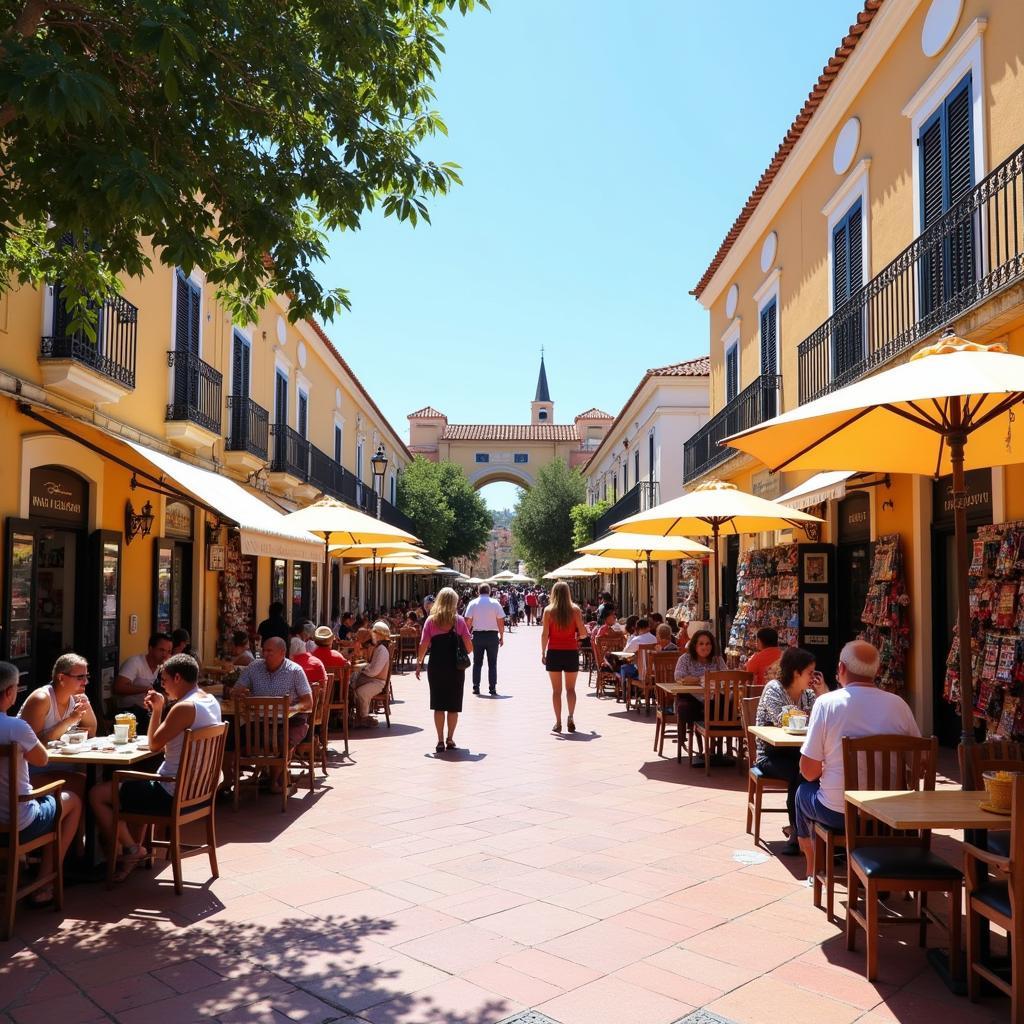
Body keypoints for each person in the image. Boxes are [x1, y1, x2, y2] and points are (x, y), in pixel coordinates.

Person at [795, 639, 920, 881]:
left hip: (838, 812)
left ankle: (812, 869)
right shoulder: (899, 705)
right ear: (877, 671)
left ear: (841, 669)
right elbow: (919, 766)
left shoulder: (826, 704)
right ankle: (875, 867)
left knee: (801, 793)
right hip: (889, 813)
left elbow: (808, 772)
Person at [90, 654, 221, 881]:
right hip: (197, 794)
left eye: (164, 681)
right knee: (136, 785)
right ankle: (133, 851)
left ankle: (131, 850)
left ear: (177, 678)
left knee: (97, 794)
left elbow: (154, 744)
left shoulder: (184, 708)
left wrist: (158, 709)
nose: (163, 686)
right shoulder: (209, 700)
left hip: (170, 793)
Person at [0, 662, 82, 906]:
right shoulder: (15, 727)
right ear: (8, 693)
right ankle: (45, 880)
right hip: (18, 823)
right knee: (71, 800)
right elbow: (42, 758)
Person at [754, 647, 828, 855]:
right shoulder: (774, 689)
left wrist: (823, 693)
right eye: (810, 672)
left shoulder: (808, 694)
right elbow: (782, 720)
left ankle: (809, 830)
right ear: (796, 672)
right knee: (801, 773)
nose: (813, 677)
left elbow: (825, 717)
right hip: (770, 755)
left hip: (798, 752)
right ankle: (799, 831)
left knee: (813, 770)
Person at [232, 637, 313, 791]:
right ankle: (232, 780)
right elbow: (237, 689)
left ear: (282, 653)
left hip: (289, 722)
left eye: (270, 651)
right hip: (258, 722)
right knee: (231, 737)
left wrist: (293, 709)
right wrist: (239, 693)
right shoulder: (254, 667)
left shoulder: (295, 671)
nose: (265, 654)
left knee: (282, 741)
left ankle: (274, 780)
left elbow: (308, 702)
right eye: (264, 650)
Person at [18, 653, 97, 808]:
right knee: (84, 784)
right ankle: (79, 832)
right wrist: (70, 720)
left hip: (64, 766)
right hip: (32, 772)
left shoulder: (77, 697)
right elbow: (35, 744)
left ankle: (79, 832)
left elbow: (92, 732)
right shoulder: (42, 699)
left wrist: (86, 709)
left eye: (86, 676)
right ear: (61, 678)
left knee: (92, 783)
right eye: (80, 677)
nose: (85, 682)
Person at [416, 588, 473, 752]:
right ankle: (450, 738)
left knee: (438, 704)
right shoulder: (459, 621)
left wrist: (419, 663)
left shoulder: (430, 621)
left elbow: (423, 645)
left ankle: (440, 740)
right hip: (455, 668)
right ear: (454, 602)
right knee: (453, 705)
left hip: (436, 666)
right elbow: (469, 649)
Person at [673, 629, 728, 764]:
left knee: (725, 705)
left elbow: (726, 676)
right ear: (695, 645)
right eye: (701, 644)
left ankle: (715, 747)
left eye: (708, 644)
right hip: (692, 697)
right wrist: (700, 679)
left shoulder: (717, 659)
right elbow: (679, 677)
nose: (705, 647)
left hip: (713, 698)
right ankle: (702, 745)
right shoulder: (685, 659)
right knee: (686, 708)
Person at [541, 581, 588, 733]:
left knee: (556, 691)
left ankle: (558, 722)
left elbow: (545, 634)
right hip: (570, 652)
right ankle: (571, 716)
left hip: (554, 652)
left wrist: (543, 652)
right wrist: (576, 635)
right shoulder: (575, 610)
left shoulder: (548, 611)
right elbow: (583, 633)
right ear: (568, 593)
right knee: (571, 689)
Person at [114, 632, 172, 730]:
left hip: (150, 712)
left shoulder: (162, 667)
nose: (165, 655)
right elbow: (118, 687)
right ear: (150, 648)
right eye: (161, 650)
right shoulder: (135, 663)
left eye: (168, 651)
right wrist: (147, 689)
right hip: (130, 713)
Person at [465, 584, 505, 696]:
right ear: (490, 591)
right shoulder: (495, 603)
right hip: (492, 636)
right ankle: (492, 688)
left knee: (477, 663)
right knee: (492, 663)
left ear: (478, 591)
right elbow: (501, 621)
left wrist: (467, 634)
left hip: (477, 636)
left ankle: (476, 687)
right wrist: (502, 636)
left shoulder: (473, 603)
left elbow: (468, 621)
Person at [351, 621, 392, 727]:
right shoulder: (377, 648)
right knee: (352, 685)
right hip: (372, 679)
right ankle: (359, 716)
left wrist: (363, 670)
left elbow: (374, 671)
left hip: (378, 682)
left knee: (360, 691)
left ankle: (363, 717)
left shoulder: (382, 650)